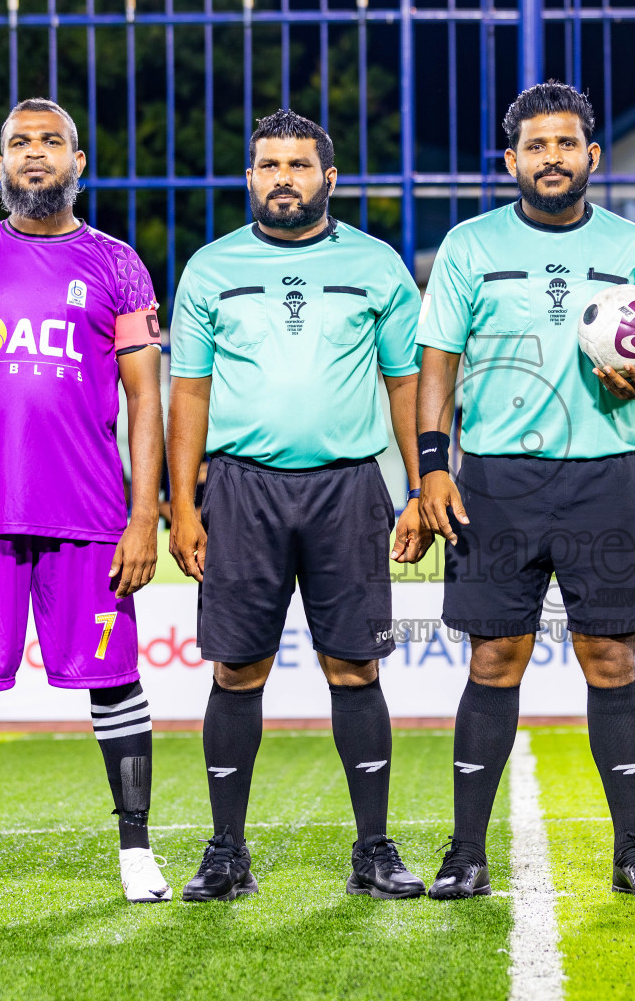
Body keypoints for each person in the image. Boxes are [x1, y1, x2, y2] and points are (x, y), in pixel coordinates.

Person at [0, 98, 169, 905]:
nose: (37, 154)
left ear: (78, 163)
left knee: (113, 678)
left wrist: (145, 515)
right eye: (21, 143)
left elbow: (145, 402)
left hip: (89, 517)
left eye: (53, 142)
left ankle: (136, 853)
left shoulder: (118, 264)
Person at [417, 81, 635, 899]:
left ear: (592, 156)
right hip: (495, 479)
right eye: (537, 147)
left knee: (611, 657)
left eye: (567, 144)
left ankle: (634, 852)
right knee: (495, 659)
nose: (552, 158)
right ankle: (466, 852)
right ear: (512, 161)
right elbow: (438, 361)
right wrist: (433, 462)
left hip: (605, 474)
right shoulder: (469, 245)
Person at [167, 109, 432, 903]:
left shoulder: (377, 264)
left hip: (349, 486)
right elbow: (188, 393)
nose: (284, 177)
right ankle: (226, 852)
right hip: (241, 488)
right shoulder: (210, 268)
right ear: (251, 178)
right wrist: (182, 505)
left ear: (330, 178)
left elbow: (406, 385)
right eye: (268, 165)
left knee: (355, 666)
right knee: (236, 667)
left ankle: (374, 850)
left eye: (299, 164)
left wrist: (418, 490)